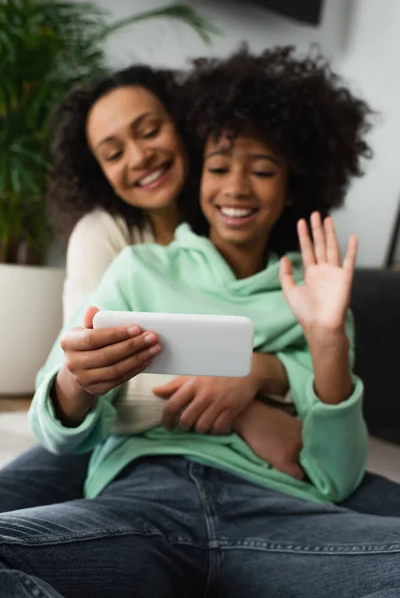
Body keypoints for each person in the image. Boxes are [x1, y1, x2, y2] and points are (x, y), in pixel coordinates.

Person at [1, 47, 400, 598]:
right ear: (198, 174)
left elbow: (337, 474)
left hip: (280, 516)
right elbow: (61, 431)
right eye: (218, 168)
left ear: (292, 187)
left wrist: (323, 340)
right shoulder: (134, 265)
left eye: (262, 170)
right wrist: (76, 381)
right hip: (144, 495)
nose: (237, 187)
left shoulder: (318, 292)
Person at [0, 62, 303, 516]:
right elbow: (93, 368)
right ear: (97, 170)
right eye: (113, 152)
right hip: (108, 430)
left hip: (200, 448)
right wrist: (240, 408)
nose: (139, 157)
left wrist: (262, 370)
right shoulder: (102, 237)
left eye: (149, 130)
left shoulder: (233, 210)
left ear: (183, 126)